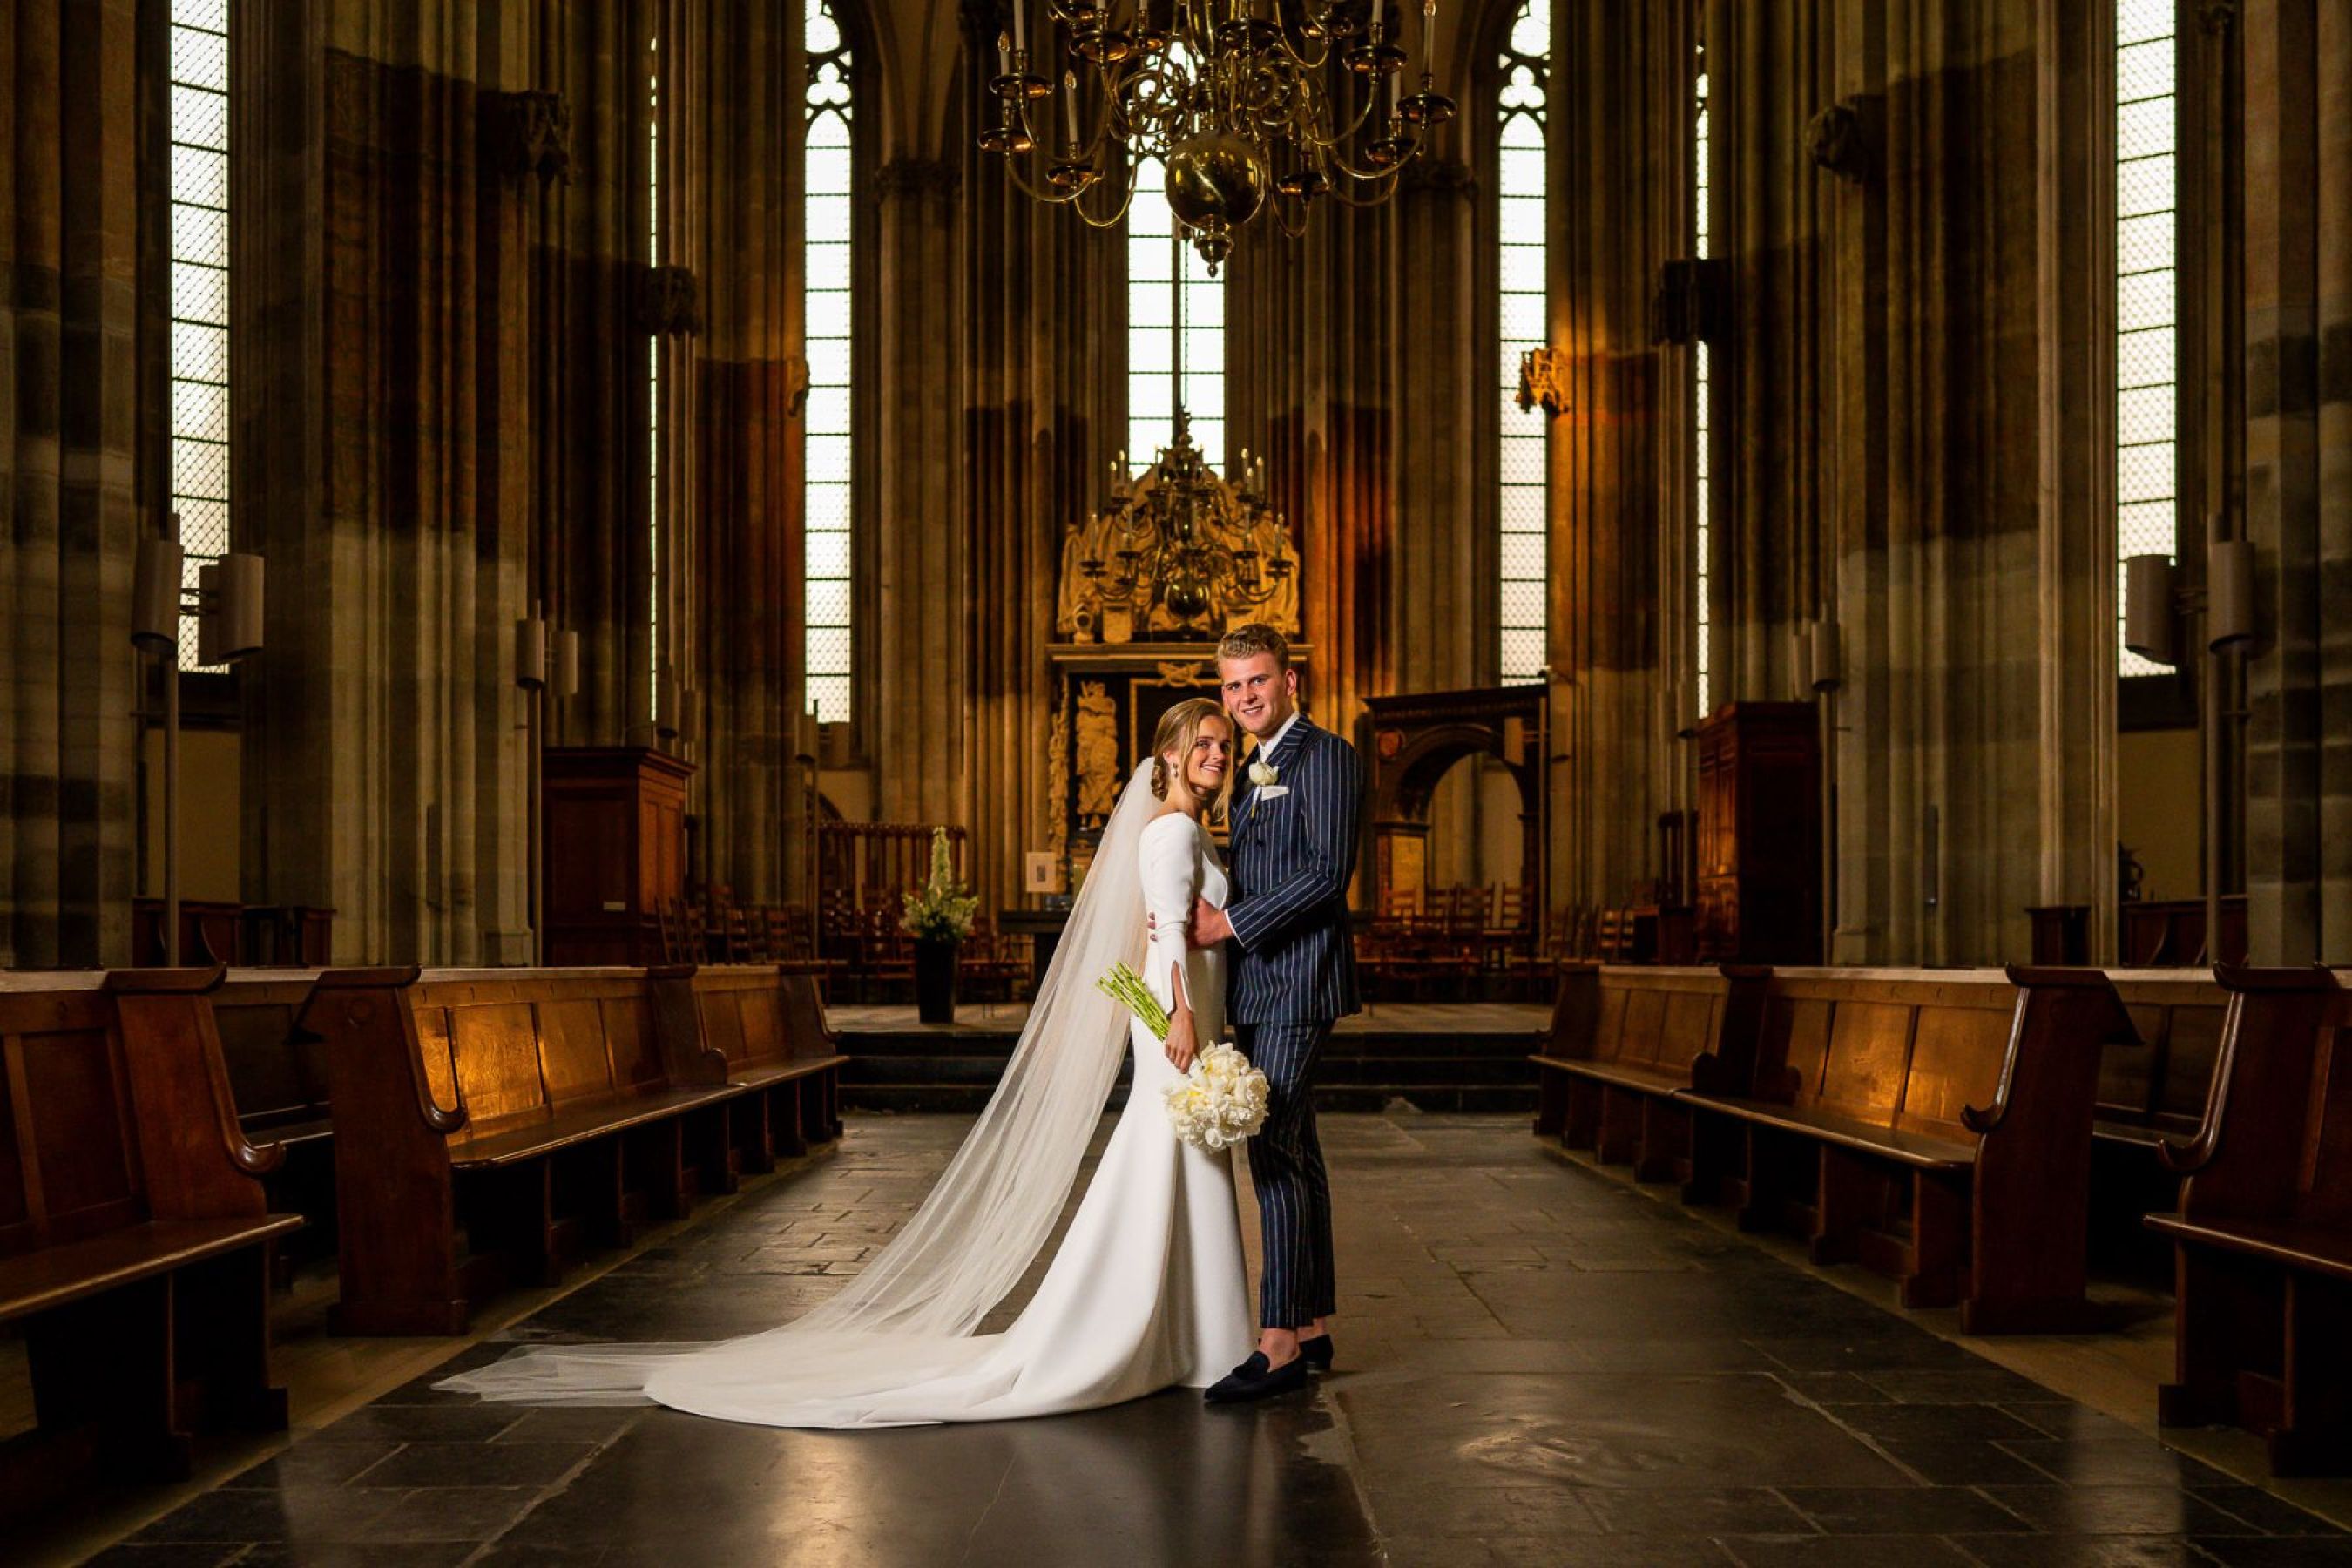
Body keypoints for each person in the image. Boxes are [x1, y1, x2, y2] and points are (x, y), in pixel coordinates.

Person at [434, 700, 1253, 1426]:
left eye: (1226, 746)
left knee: (1174, 1154)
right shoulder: (1173, 829)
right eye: (1206, 744)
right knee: (1176, 1152)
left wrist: (1181, 1005)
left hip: (1179, 1008)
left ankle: (1172, 1330)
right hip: (1178, 1010)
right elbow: (1167, 930)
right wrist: (1179, 1013)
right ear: (1171, 754)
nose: (1220, 756)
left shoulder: (1189, 827)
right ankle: (1172, 1333)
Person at [1192, 624, 1362, 1404]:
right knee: (1301, 1150)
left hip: (1299, 980)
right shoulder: (1256, 769)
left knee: (1275, 1151)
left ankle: (1280, 1343)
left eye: (1256, 681)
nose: (1244, 697)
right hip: (1260, 987)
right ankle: (1314, 1323)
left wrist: (1228, 926)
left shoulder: (1324, 757)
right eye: (1231, 686)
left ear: (1289, 681)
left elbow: (1327, 876)